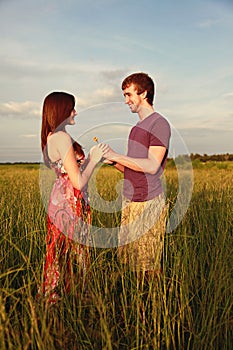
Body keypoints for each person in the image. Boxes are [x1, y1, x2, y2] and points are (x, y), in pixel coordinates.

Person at [39, 91, 108, 303]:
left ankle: (58, 296)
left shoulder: (51, 137)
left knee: (60, 250)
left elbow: (68, 172)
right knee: (75, 252)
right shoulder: (62, 137)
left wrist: (88, 160)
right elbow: (78, 181)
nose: (75, 112)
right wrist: (94, 160)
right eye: (72, 108)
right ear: (61, 110)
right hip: (70, 202)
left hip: (60, 200)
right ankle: (75, 296)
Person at [104, 72, 171, 278]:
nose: (126, 101)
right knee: (131, 262)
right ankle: (136, 306)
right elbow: (133, 169)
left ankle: (155, 306)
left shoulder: (159, 123)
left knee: (148, 265)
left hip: (148, 202)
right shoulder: (135, 128)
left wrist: (117, 155)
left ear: (143, 93)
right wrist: (115, 162)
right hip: (130, 200)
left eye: (129, 94)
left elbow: (151, 165)